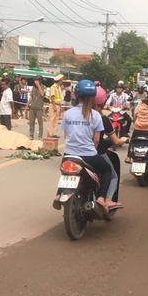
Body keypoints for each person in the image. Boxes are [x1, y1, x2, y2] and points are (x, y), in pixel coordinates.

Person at [58, 79, 113, 214]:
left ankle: (59, 194)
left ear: (76, 95)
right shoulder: (96, 116)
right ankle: (101, 198)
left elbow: (66, 135)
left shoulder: (68, 113)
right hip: (88, 155)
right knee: (107, 171)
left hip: (69, 154)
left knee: (66, 172)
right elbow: (96, 141)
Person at [94, 85, 129, 208]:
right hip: (95, 152)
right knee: (112, 174)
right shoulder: (101, 118)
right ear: (103, 102)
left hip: (74, 152)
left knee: (128, 119)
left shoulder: (76, 114)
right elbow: (101, 141)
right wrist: (123, 139)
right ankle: (106, 199)